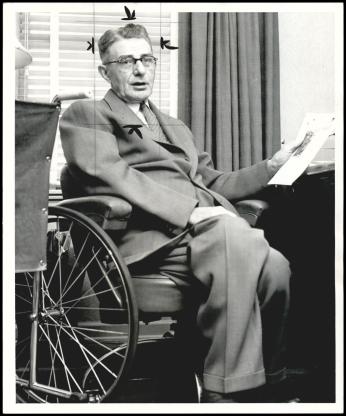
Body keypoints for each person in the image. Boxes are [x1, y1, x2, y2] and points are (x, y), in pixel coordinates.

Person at [60, 23, 302, 403]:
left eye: (146, 59)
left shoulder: (175, 126)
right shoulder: (87, 114)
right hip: (148, 241)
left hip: (207, 232)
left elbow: (214, 182)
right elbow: (108, 171)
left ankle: (270, 380)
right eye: (126, 61)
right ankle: (225, 392)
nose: (139, 69)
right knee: (234, 234)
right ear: (105, 71)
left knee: (275, 266)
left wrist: (272, 166)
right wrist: (188, 212)